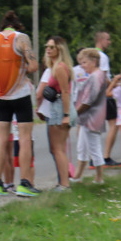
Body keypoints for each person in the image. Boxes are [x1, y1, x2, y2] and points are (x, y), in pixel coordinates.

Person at [0, 10, 39, 197]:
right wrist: (19, 70)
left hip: (1, 96)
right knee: (25, 138)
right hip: (21, 94)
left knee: (2, 139)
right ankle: (24, 184)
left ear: (2, 27)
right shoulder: (22, 39)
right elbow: (33, 66)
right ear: (17, 26)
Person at [34, 35, 73, 191]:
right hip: (56, 108)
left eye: (52, 47)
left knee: (57, 148)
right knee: (57, 148)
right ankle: (62, 182)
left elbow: (65, 92)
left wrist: (66, 115)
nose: (48, 50)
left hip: (58, 109)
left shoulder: (59, 68)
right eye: (47, 47)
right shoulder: (56, 67)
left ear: (60, 50)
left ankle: (64, 183)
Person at [72, 48, 108, 184]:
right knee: (82, 146)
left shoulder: (95, 77)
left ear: (94, 61)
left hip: (92, 118)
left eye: (84, 62)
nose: (82, 65)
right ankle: (78, 175)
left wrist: (75, 113)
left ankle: (99, 177)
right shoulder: (96, 76)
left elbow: (88, 100)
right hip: (87, 118)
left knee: (94, 147)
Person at [93, 31, 120, 167]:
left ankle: (94, 157)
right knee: (114, 124)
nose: (109, 42)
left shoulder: (91, 54)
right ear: (101, 40)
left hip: (95, 95)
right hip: (105, 95)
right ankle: (106, 156)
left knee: (95, 127)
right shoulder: (102, 56)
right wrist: (115, 85)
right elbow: (103, 76)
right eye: (108, 40)